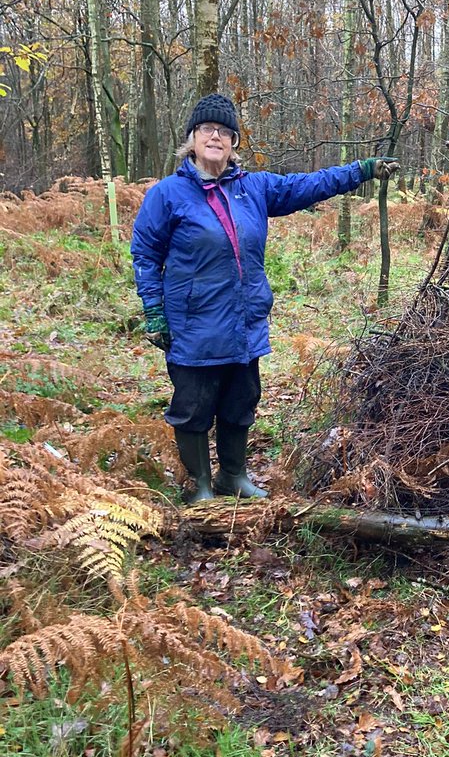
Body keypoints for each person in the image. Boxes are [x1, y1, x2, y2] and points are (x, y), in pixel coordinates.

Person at [131, 92, 399, 503]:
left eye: (225, 131)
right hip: (193, 322)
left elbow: (310, 185)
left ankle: (232, 477)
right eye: (207, 129)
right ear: (192, 138)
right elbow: (146, 254)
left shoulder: (253, 188)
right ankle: (200, 486)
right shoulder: (167, 195)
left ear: (235, 142)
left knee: (241, 400)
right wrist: (153, 310)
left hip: (244, 319)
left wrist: (361, 170)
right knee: (194, 406)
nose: (215, 137)